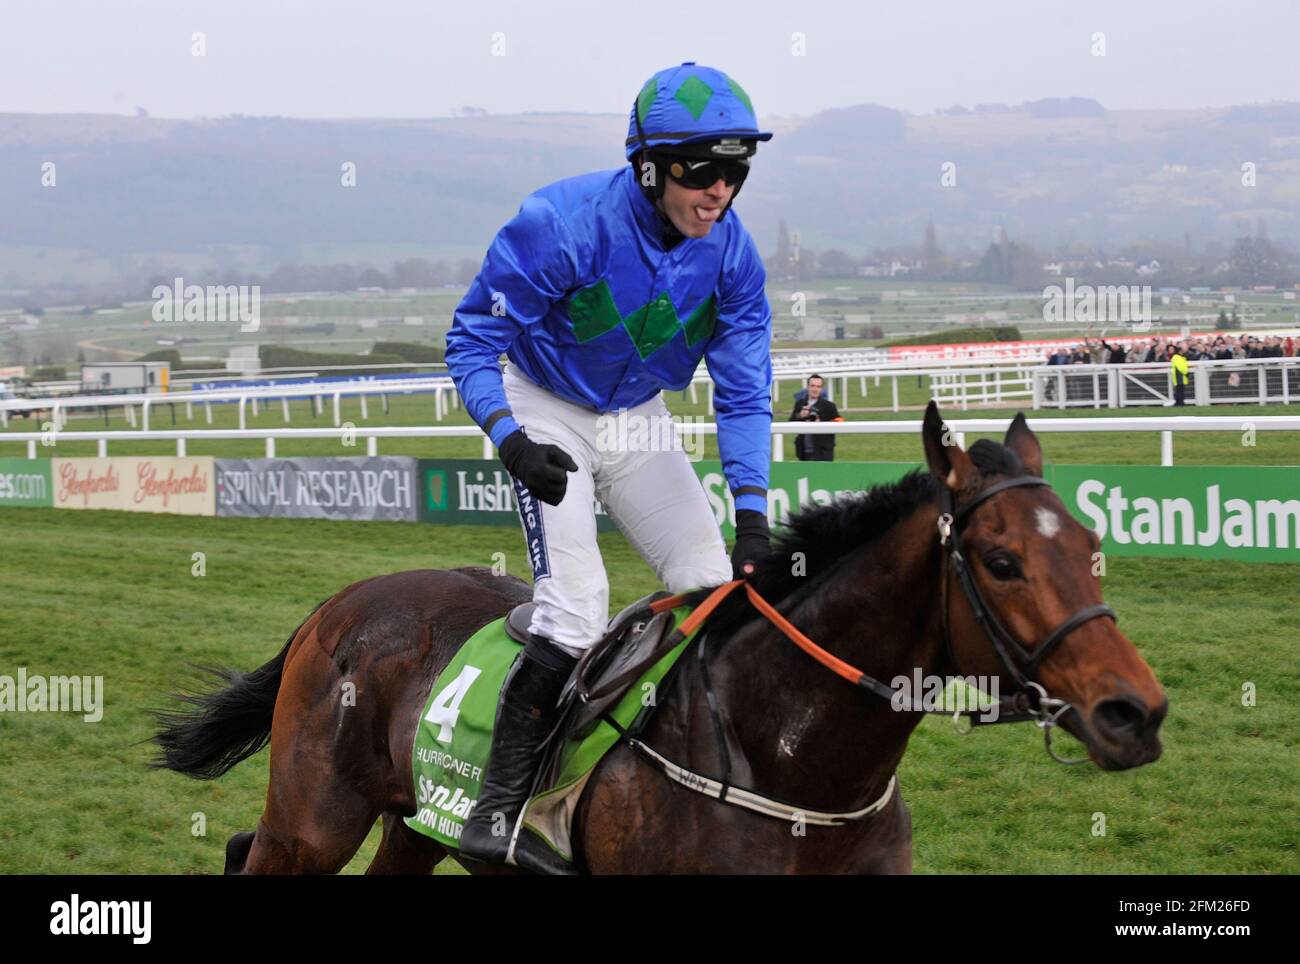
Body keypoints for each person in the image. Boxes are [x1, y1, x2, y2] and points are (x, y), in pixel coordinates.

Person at [443, 62, 775, 874]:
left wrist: (754, 509)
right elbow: (470, 342)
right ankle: (502, 808)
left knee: (712, 585)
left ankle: (675, 783)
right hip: (540, 401)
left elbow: (744, 390)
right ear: (650, 165)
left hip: (635, 419)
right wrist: (509, 438)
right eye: (701, 169)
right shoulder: (561, 224)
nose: (719, 190)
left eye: (735, 170)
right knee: (578, 606)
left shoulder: (733, 256)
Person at [789, 373, 843, 461]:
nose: (815, 389)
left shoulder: (829, 406)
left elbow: (840, 422)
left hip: (823, 452)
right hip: (803, 451)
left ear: (822, 388)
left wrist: (821, 423)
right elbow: (790, 423)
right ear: (808, 387)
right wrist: (800, 415)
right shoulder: (800, 404)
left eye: (818, 386)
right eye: (812, 386)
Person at [1171, 342, 1190, 406]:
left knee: (1179, 390)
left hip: (1180, 376)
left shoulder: (1178, 357)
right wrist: (1186, 372)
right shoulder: (1177, 357)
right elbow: (1181, 367)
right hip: (1179, 376)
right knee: (1179, 390)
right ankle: (1179, 402)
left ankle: (1179, 402)